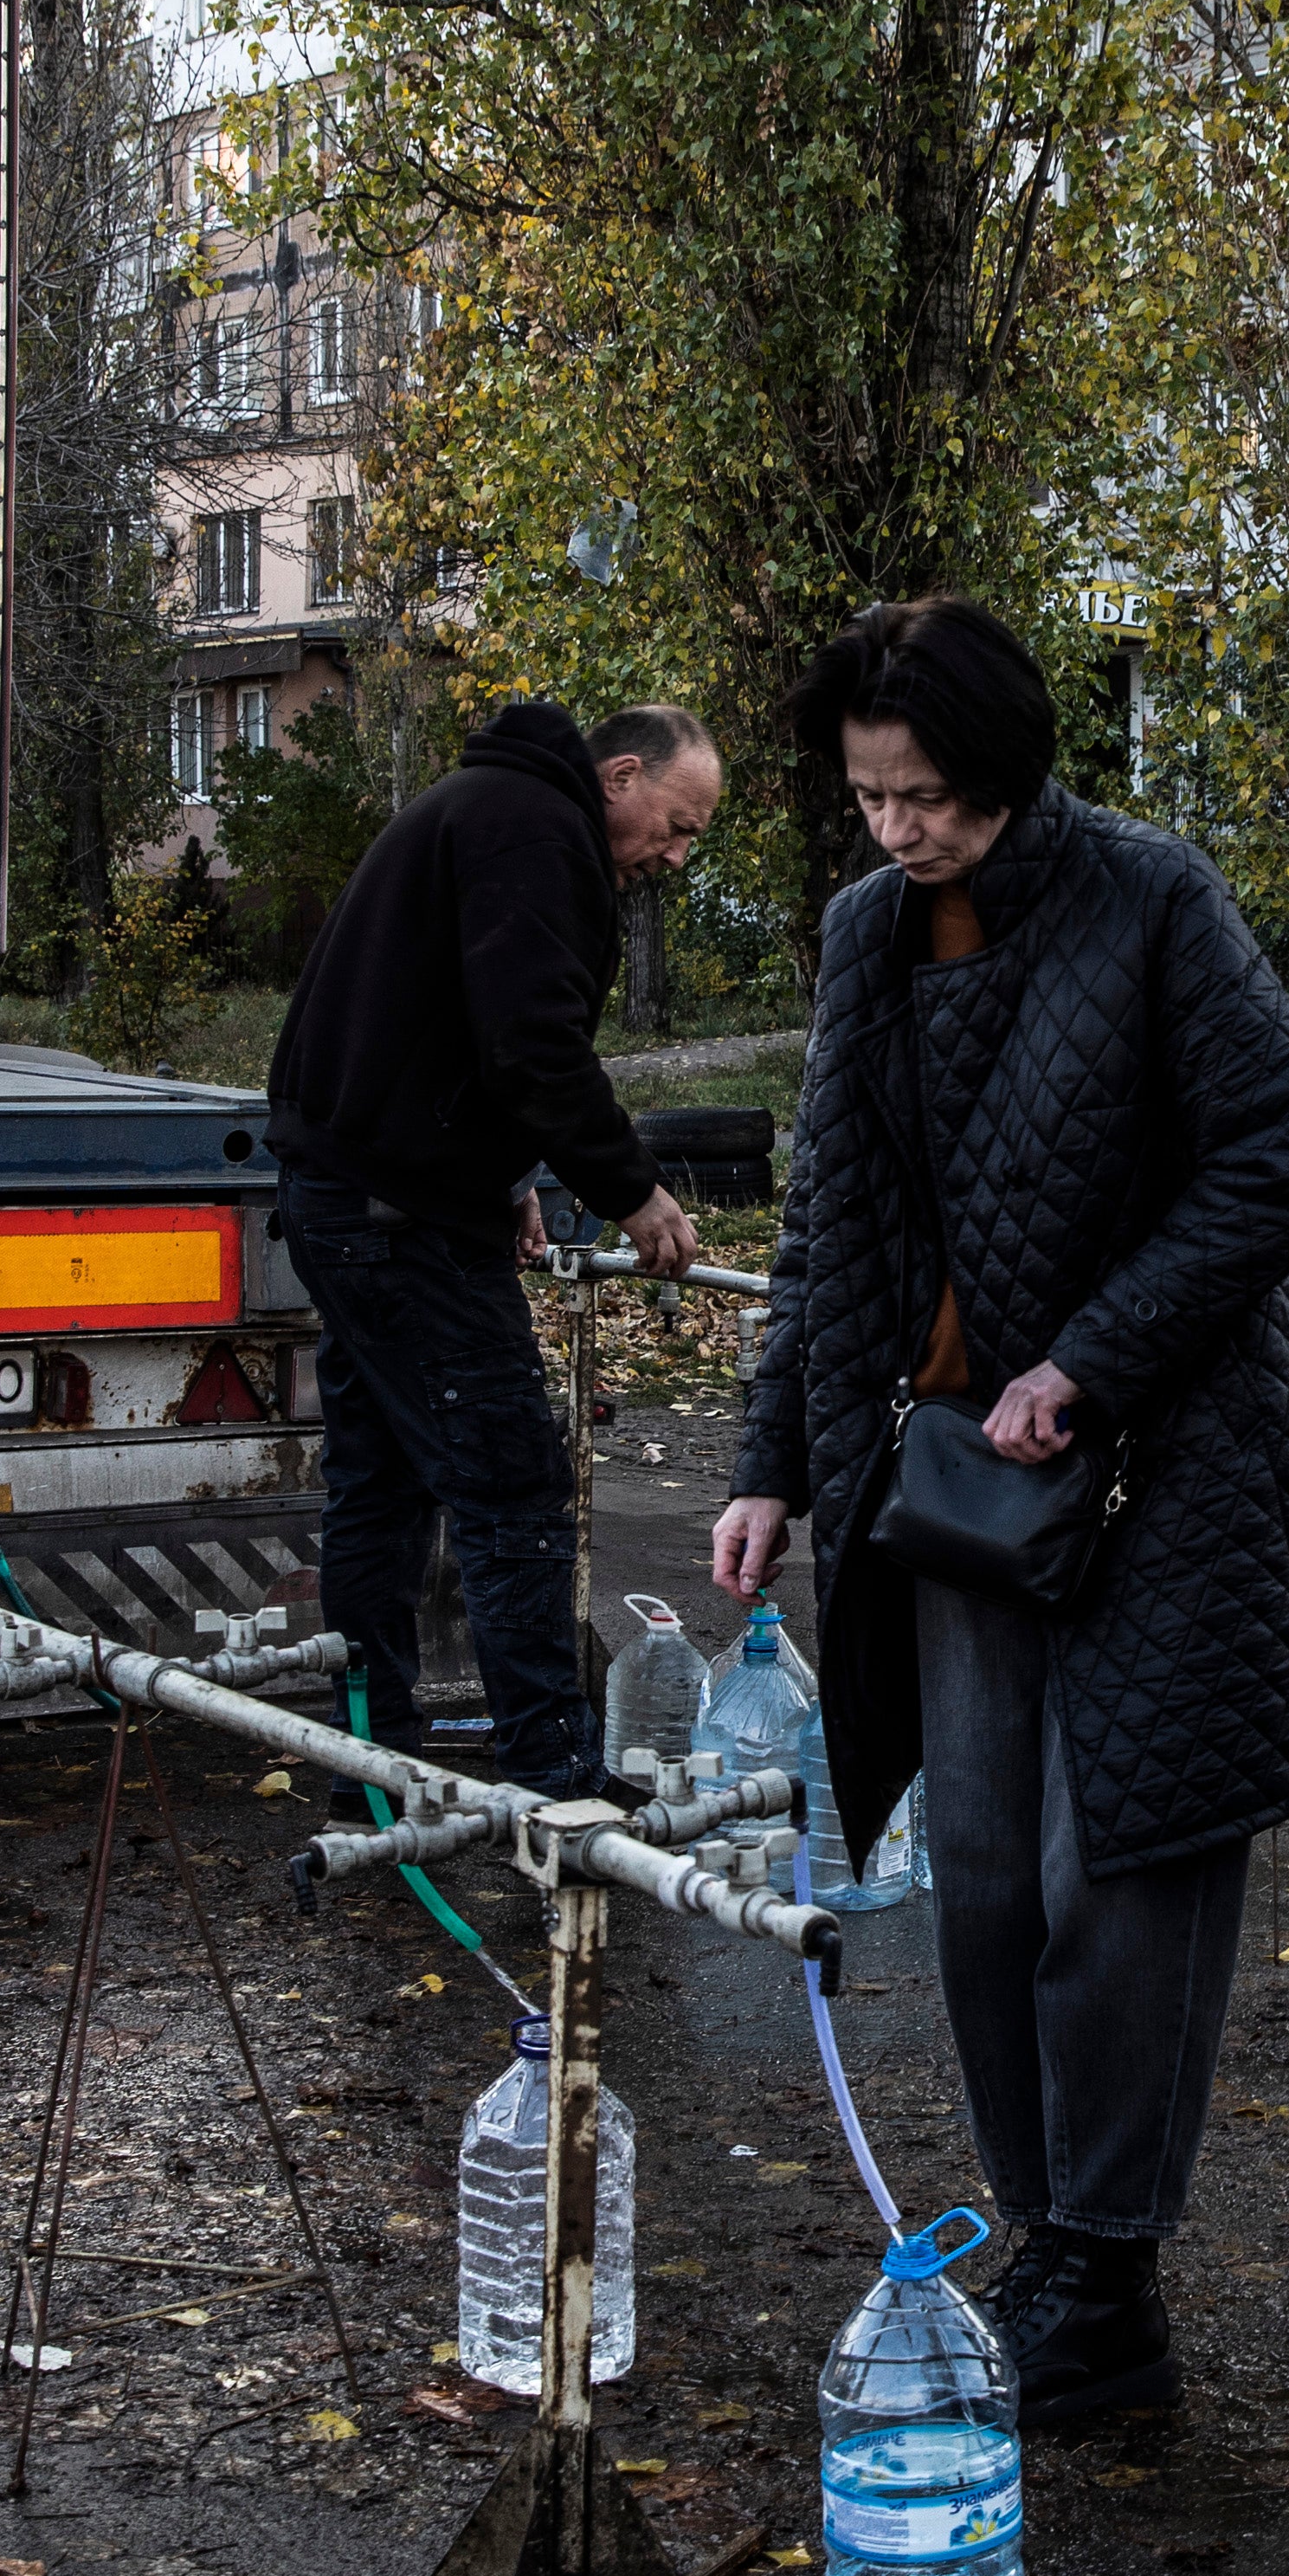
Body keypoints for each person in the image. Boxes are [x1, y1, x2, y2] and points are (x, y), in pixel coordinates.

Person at [712, 597, 1289, 2424]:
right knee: (983, 1874)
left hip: (1175, 1466)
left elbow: (1286, 1155)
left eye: (924, 793)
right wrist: (771, 1457)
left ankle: (1113, 2265)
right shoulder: (862, 937)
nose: (897, 827)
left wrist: (1088, 1356)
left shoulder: (1157, 898)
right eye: (868, 796)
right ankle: (1045, 2231)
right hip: (949, 1487)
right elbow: (823, 1226)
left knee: (1125, 1865)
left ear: (1004, 768)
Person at [267, 698, 723, 1794]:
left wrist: (505, 1176)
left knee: (377, 1483)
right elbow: (533, 1043)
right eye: (678, 822)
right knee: (512, 1478)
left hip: (351, 1188)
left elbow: (452, 1021)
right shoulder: (535, 831)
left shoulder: (486, 809)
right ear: (620, 774)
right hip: (398, 1215)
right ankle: (552, 1768)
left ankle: (372, 1746)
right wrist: (635, 1193)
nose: (674, 853)